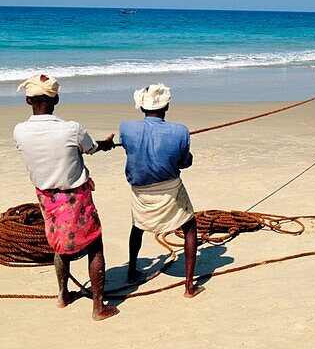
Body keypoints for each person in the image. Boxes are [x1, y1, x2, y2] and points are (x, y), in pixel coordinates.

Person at [13, 73, 119, 321]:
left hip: (46, 199)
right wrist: (105, 144)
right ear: (56, 99)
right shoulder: (71, 129)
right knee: (95, 245)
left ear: (28, 100)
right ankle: (98, 308)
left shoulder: (20, 131)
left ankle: (63, 295)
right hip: (76, 198)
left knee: (59, 245)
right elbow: (90, 147)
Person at [119, 84, 203, 298]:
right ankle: (189, 287)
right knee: (190, 227)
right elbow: (184, 163)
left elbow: (130, 150)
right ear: (166, 106)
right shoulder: (180, 131)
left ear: (141, 108)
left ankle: (131, 272)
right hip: (169, 189)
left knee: (137, 226)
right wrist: (187, 157)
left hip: (140, 191)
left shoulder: (126, 128)